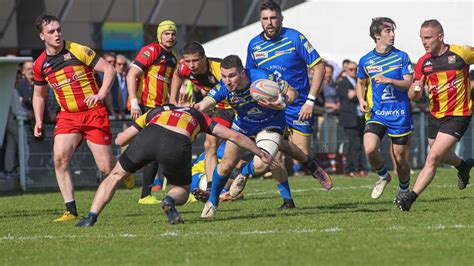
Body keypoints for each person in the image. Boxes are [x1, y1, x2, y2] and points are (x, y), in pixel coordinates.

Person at [75, 105, 275, 226]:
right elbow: (235, 136)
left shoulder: (157, 111)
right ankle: (169, 201)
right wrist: (260, 152)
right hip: (177, 142)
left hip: (149, 135)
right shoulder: (199, 116)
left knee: (115, 175)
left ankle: (91, 217)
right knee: (181, 188)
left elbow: (120, 141)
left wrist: (118, 136)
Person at [193, 55, 332, 218]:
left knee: (261, 164)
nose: (227, 81)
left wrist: (282, 103)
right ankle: (212, 201)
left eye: (232, 75)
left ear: (242, 73)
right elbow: (205, 104)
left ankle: (245, 171)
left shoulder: (262, 77)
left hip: (270, 124)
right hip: (243, 127)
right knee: (225, 166)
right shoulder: (224, 87)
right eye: (224, 76)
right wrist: (193, 108)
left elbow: (292, 92)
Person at [32, 14, 116, 221]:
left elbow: (109, 69)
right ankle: (71, 211)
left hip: (93, 113)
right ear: (42, 36)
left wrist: (101, 94)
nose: (57, 34)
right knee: (59, 159)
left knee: (106, 167)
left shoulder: (78, 50)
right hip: (68, 117)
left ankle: (125, 171)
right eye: (51, 31)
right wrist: (39, 120)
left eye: (59, 30)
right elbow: (37, 95)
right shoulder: (40, 64)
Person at [395, 19, 474, 211]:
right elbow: (413, 95)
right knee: (442, 155)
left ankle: (409, 198)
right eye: (421, 38)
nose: (424, 42)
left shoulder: (461, 53)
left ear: (441, 37)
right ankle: (463, 165)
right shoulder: (423, 62)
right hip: (435, 115)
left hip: (458, 114)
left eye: (428, 38)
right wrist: (416, 89)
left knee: (432, 158)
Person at [246, 1, 325, 175]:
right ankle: (285, 199)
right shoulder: (254, 45)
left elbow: (319, 67)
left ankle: (299, 162)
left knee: (301, 156)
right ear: (260, 21)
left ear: (281, 18)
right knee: (267, 160)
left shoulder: (294, 38)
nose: (269, 22)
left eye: (273, 18)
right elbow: (250, 78)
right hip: (270, 108)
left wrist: (310, 102)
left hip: (298, 106)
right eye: (265, 18)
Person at [356, 17, 414, 200]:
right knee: (370, 149)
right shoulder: (366, 60)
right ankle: (383, 176)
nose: (392, 35)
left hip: (399, 113)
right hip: (377, 113)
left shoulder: (402, 56)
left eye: (393, 31)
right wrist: (360, 99)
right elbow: (360, 82)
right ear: (376, 35)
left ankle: (404, 189)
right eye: (388, 31)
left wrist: (390, 80)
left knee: (400, 158)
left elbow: (408, 84)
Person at [169, 42, 234, 200]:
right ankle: (212, 189)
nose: (191, 65)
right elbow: (177, 74)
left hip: (236, 106)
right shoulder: (184, 67)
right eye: (188, 61)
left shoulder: (219, 69)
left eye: (195, 60)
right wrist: (173, 99)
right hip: (220, 109)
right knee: (209, 144)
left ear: (204, 58)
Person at [127, 20, 178, 204]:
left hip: (159, 109)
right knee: (153, 150)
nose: (170, 37)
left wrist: (173, 103)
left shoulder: (173, 57)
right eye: (166, 33)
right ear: (159, 35)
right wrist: (134, 103)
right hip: (143, 106)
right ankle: (144, 193)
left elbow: (172, 84)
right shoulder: (151, 50)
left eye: (173, 33)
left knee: (153, 149)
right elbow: (131, 74)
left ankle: (133, 180)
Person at [337, 61, 366, 177]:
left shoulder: (359, 82)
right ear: (345, 70)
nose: (354, 71)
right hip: (349, 118)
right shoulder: (343, 83)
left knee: (354, 145)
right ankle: (358, 168)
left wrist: (357, 93)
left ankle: (348, 169)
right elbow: (350, 95)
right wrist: (359, 94)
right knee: (356, 144)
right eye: (351, 69)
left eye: (355, 69)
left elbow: (356, 94)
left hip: (359, 117)